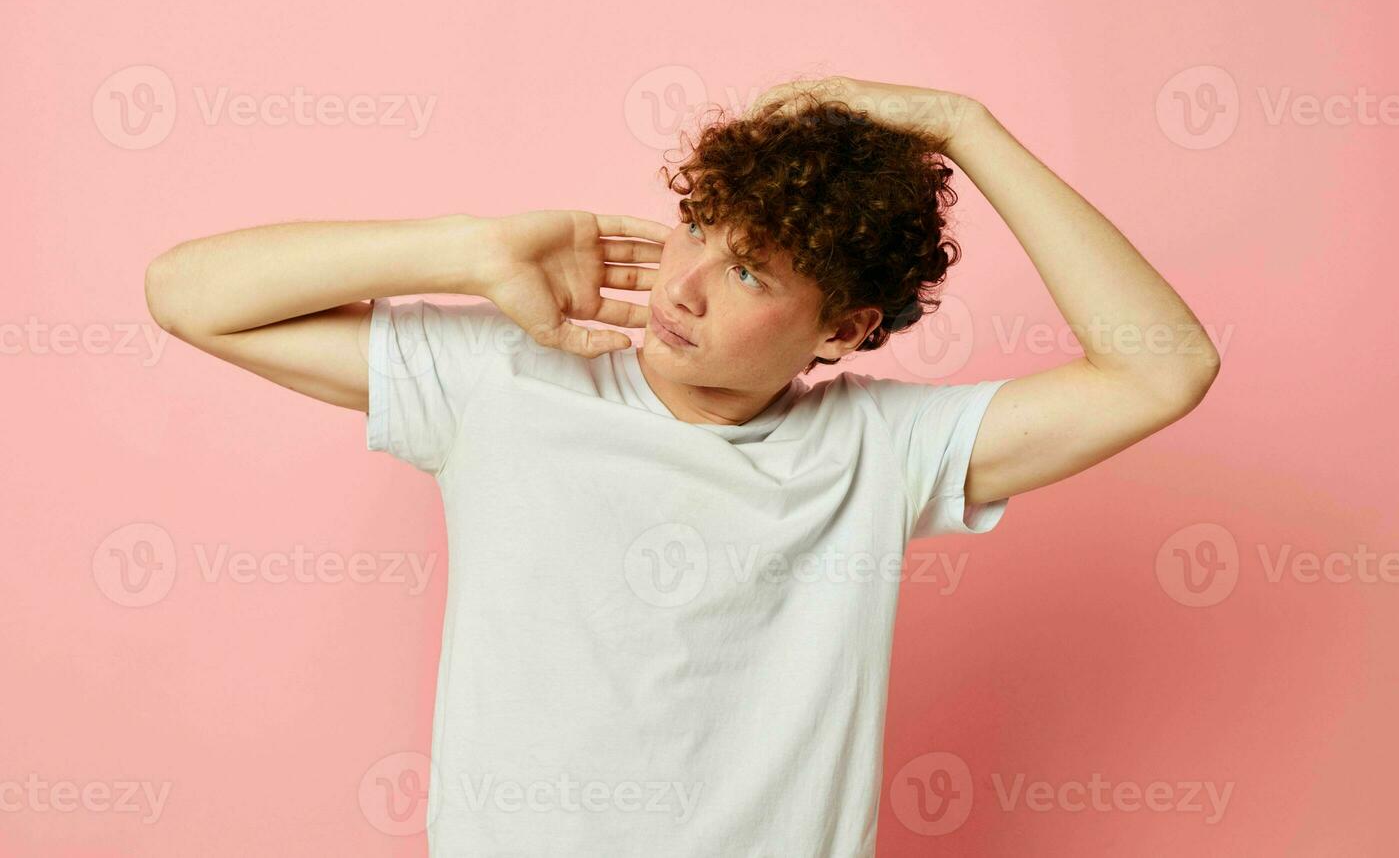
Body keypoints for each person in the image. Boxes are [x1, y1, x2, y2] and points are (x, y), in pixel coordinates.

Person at [143, 76, 1220, 855]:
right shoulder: (508, 380)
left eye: (749, 267)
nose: (686, 282)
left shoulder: (879, 451)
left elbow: (1163, 370)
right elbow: (189, 293)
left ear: (842, 328)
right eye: (697, 226)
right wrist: (466, 251)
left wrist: (962, 125)